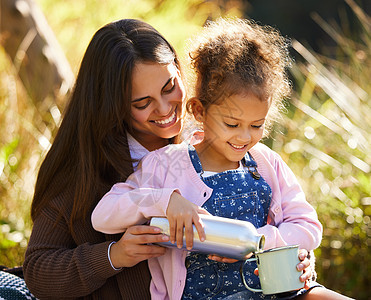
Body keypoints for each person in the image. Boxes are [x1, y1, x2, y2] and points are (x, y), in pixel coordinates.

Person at [23, 18, 321, 299]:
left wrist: (296, 259)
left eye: (170, 88)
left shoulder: (220, 137)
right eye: (143, 103)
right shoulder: (89, 169)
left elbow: (291, 223)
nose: (166, 109)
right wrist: (114, 255)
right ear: (112, 106)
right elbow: (38, 270)